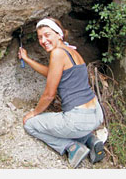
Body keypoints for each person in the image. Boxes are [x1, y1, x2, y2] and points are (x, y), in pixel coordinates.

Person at [18, 17, 104, 168]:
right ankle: (91, 140)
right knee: (76, 125)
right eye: (40, 37)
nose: (43, 40)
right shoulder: (71, 51)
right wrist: (27, 59)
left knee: (30, 125)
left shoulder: (57, 53)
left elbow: (49, 95)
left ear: (58, 34)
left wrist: (34, 112)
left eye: (47, 35)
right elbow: (52, 73)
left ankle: (72, 147)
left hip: (78, 118)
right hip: (96, 114)